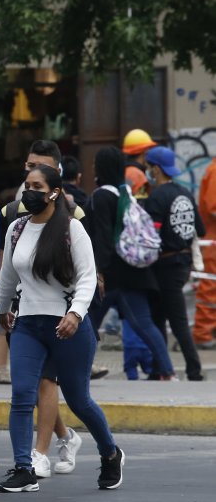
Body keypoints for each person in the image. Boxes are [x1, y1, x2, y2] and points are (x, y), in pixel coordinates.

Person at [0, 164, 124, 493]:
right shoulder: (17, 230)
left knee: (79, 400)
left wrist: (76, 314)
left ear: (54, 192)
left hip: (67, 326)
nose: (29, 191)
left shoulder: (71, 229)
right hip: (27, 324)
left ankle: (110, 453)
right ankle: (23, 468)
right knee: (22, 396)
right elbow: (7, 277)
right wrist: (1, 311)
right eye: (27, 185)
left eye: (37, 185)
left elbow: (87, 278)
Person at [0, 140, 88, 478]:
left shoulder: (73, 218)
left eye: (40, 172)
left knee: (47, 385)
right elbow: (6, 268)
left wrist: (76, 312)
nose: (30, 181)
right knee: (26, 390)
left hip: (61, 317)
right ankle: (57, 440)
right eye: (28, 167)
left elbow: (85, 270)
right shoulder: (11, 215)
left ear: (56, 180)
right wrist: (0, 308)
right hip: (23, 316)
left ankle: (40, 452)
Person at [86, 146, 176, 380]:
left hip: (113, 276)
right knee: (144, 325)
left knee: (84, 323)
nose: (93, 167)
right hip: (133, 273)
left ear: (101, 168)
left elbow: (103, 238)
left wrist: (99, 272)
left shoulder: (101, 196)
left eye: (96, 163)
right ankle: (168, 371)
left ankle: (75, 369)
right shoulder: (123, 193)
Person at [144, 147, 206, 380]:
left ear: (156, 169)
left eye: (149, 167)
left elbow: (152, 236)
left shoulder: (157, 197)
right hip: (182, 264)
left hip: (164, 266)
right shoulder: (185, 193)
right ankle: (159, 369)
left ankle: (194, 370)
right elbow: (199, 229)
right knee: (158, 315)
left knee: (176, 320)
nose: (147, 171)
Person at [193, 158, 216, 348]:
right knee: (210, 288)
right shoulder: (215, 171)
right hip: (213, 244)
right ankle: (203, 333)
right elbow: (213, 207)